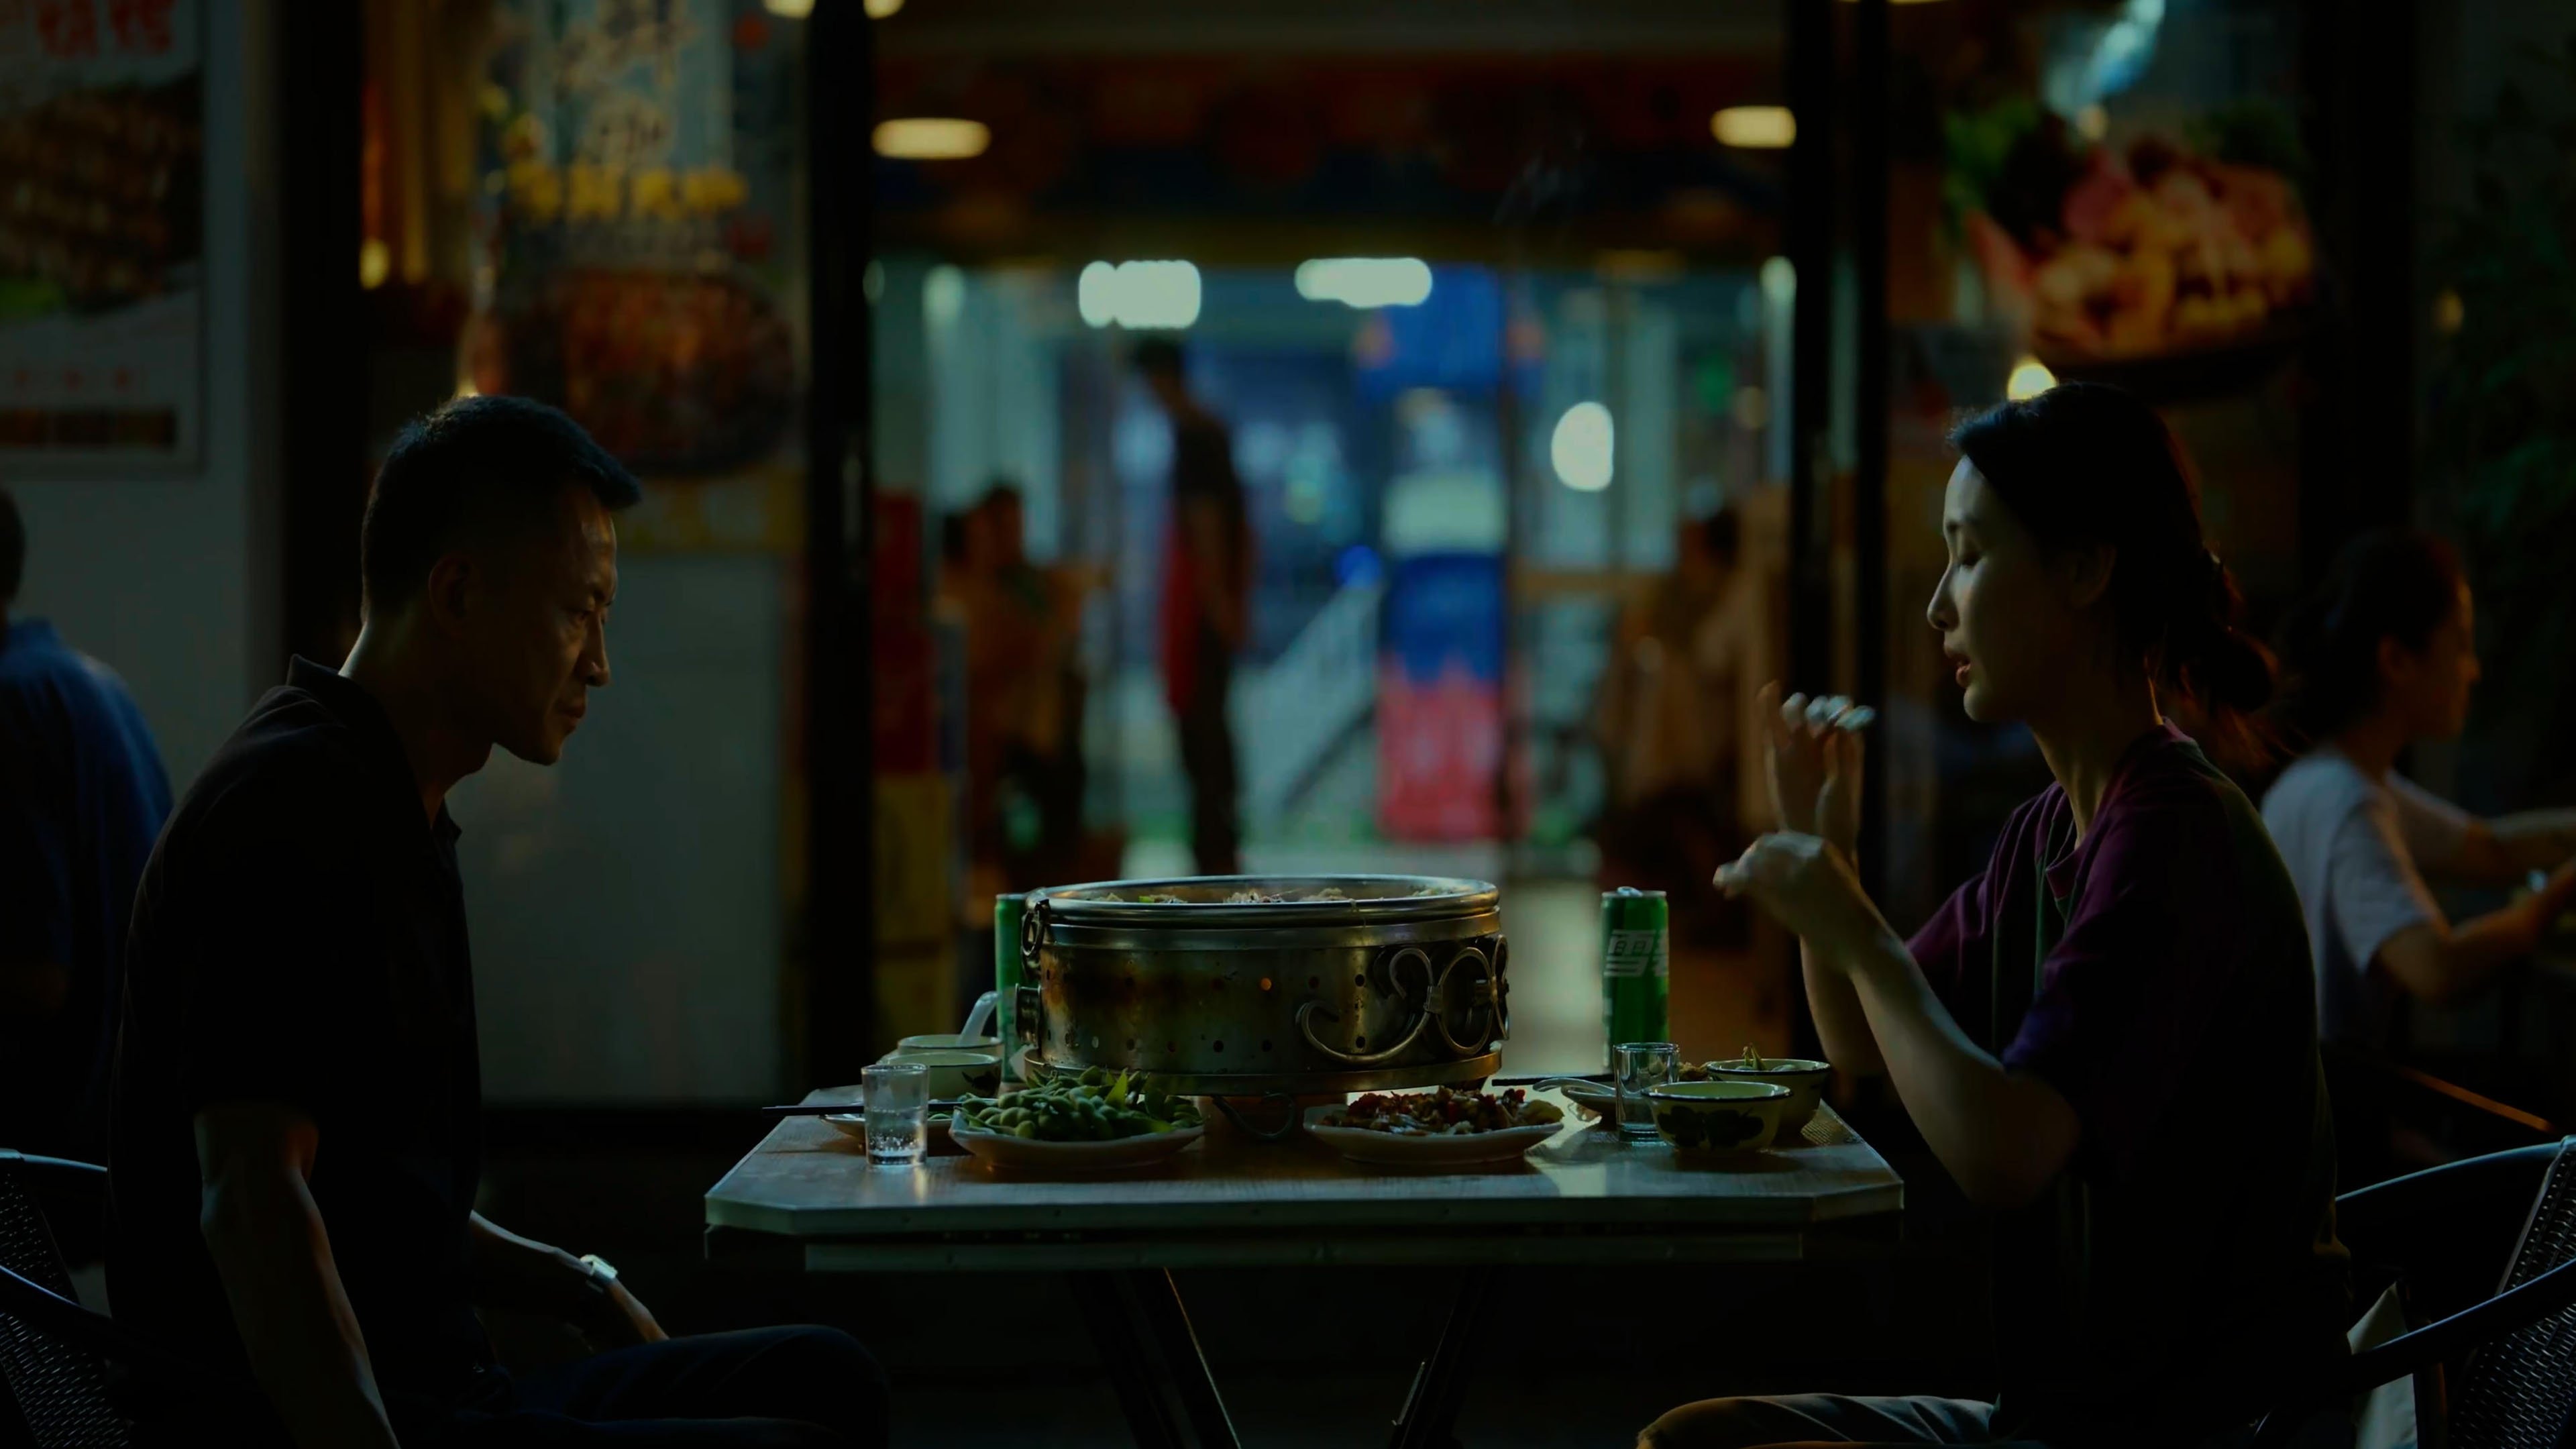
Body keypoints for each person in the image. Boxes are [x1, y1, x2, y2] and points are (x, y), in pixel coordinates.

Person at [106, 396, 885, 1448]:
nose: (599, 662)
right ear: (459, 593)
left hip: (461, 1388)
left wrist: (580, 1284)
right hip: (341, 1422)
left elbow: (389, 1198)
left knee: (827, 1377)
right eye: (579, 612)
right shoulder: (287, 807)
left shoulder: (392, 801)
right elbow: (252, 1202)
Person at [1652, 384, 2348, 1448]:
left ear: (2085, 570)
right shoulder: (2053, 830)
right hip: (2070, 1416)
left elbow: (2007, 1152)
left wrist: (1853, 924)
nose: (1939, 605)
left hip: (2195, 1431)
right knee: (1701, 1438)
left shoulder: (2174, 836)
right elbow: (1862, 1045)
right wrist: (1828, 860)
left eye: (1970, 555)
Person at [2262, 527, 2576, 1055]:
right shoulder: (2349, 802)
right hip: (2325, 1100)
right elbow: (2437, 969)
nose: (2473, 670)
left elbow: (2490, 847)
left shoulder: (2326, 778)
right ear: (2397, 660)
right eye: (2461, 645)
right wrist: (2556, 898)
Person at [0, 484, 172, 1163]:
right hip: (126, 1145)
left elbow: (39, 976)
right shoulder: (96, 685)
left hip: (45, 1161)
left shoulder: (12, 704)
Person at [1594, 507, 1758, 948]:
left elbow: (1711, 656)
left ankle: (1715, 911)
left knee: (1690, 819)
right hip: (1687, 743)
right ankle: (1707, 909)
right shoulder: (1680, 593)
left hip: (1702, 741)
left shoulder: (1723, 592)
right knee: (1685, 820)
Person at [1136, 338, 1251, 877]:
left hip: (1202, 610)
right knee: (1208, 730)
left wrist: (1218, 601)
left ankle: (1215, 850)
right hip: (1208, 604)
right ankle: (1215, 845)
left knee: (1202, 734)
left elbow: (1207, 525)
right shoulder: (1205, 433)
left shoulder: (1197, 436)